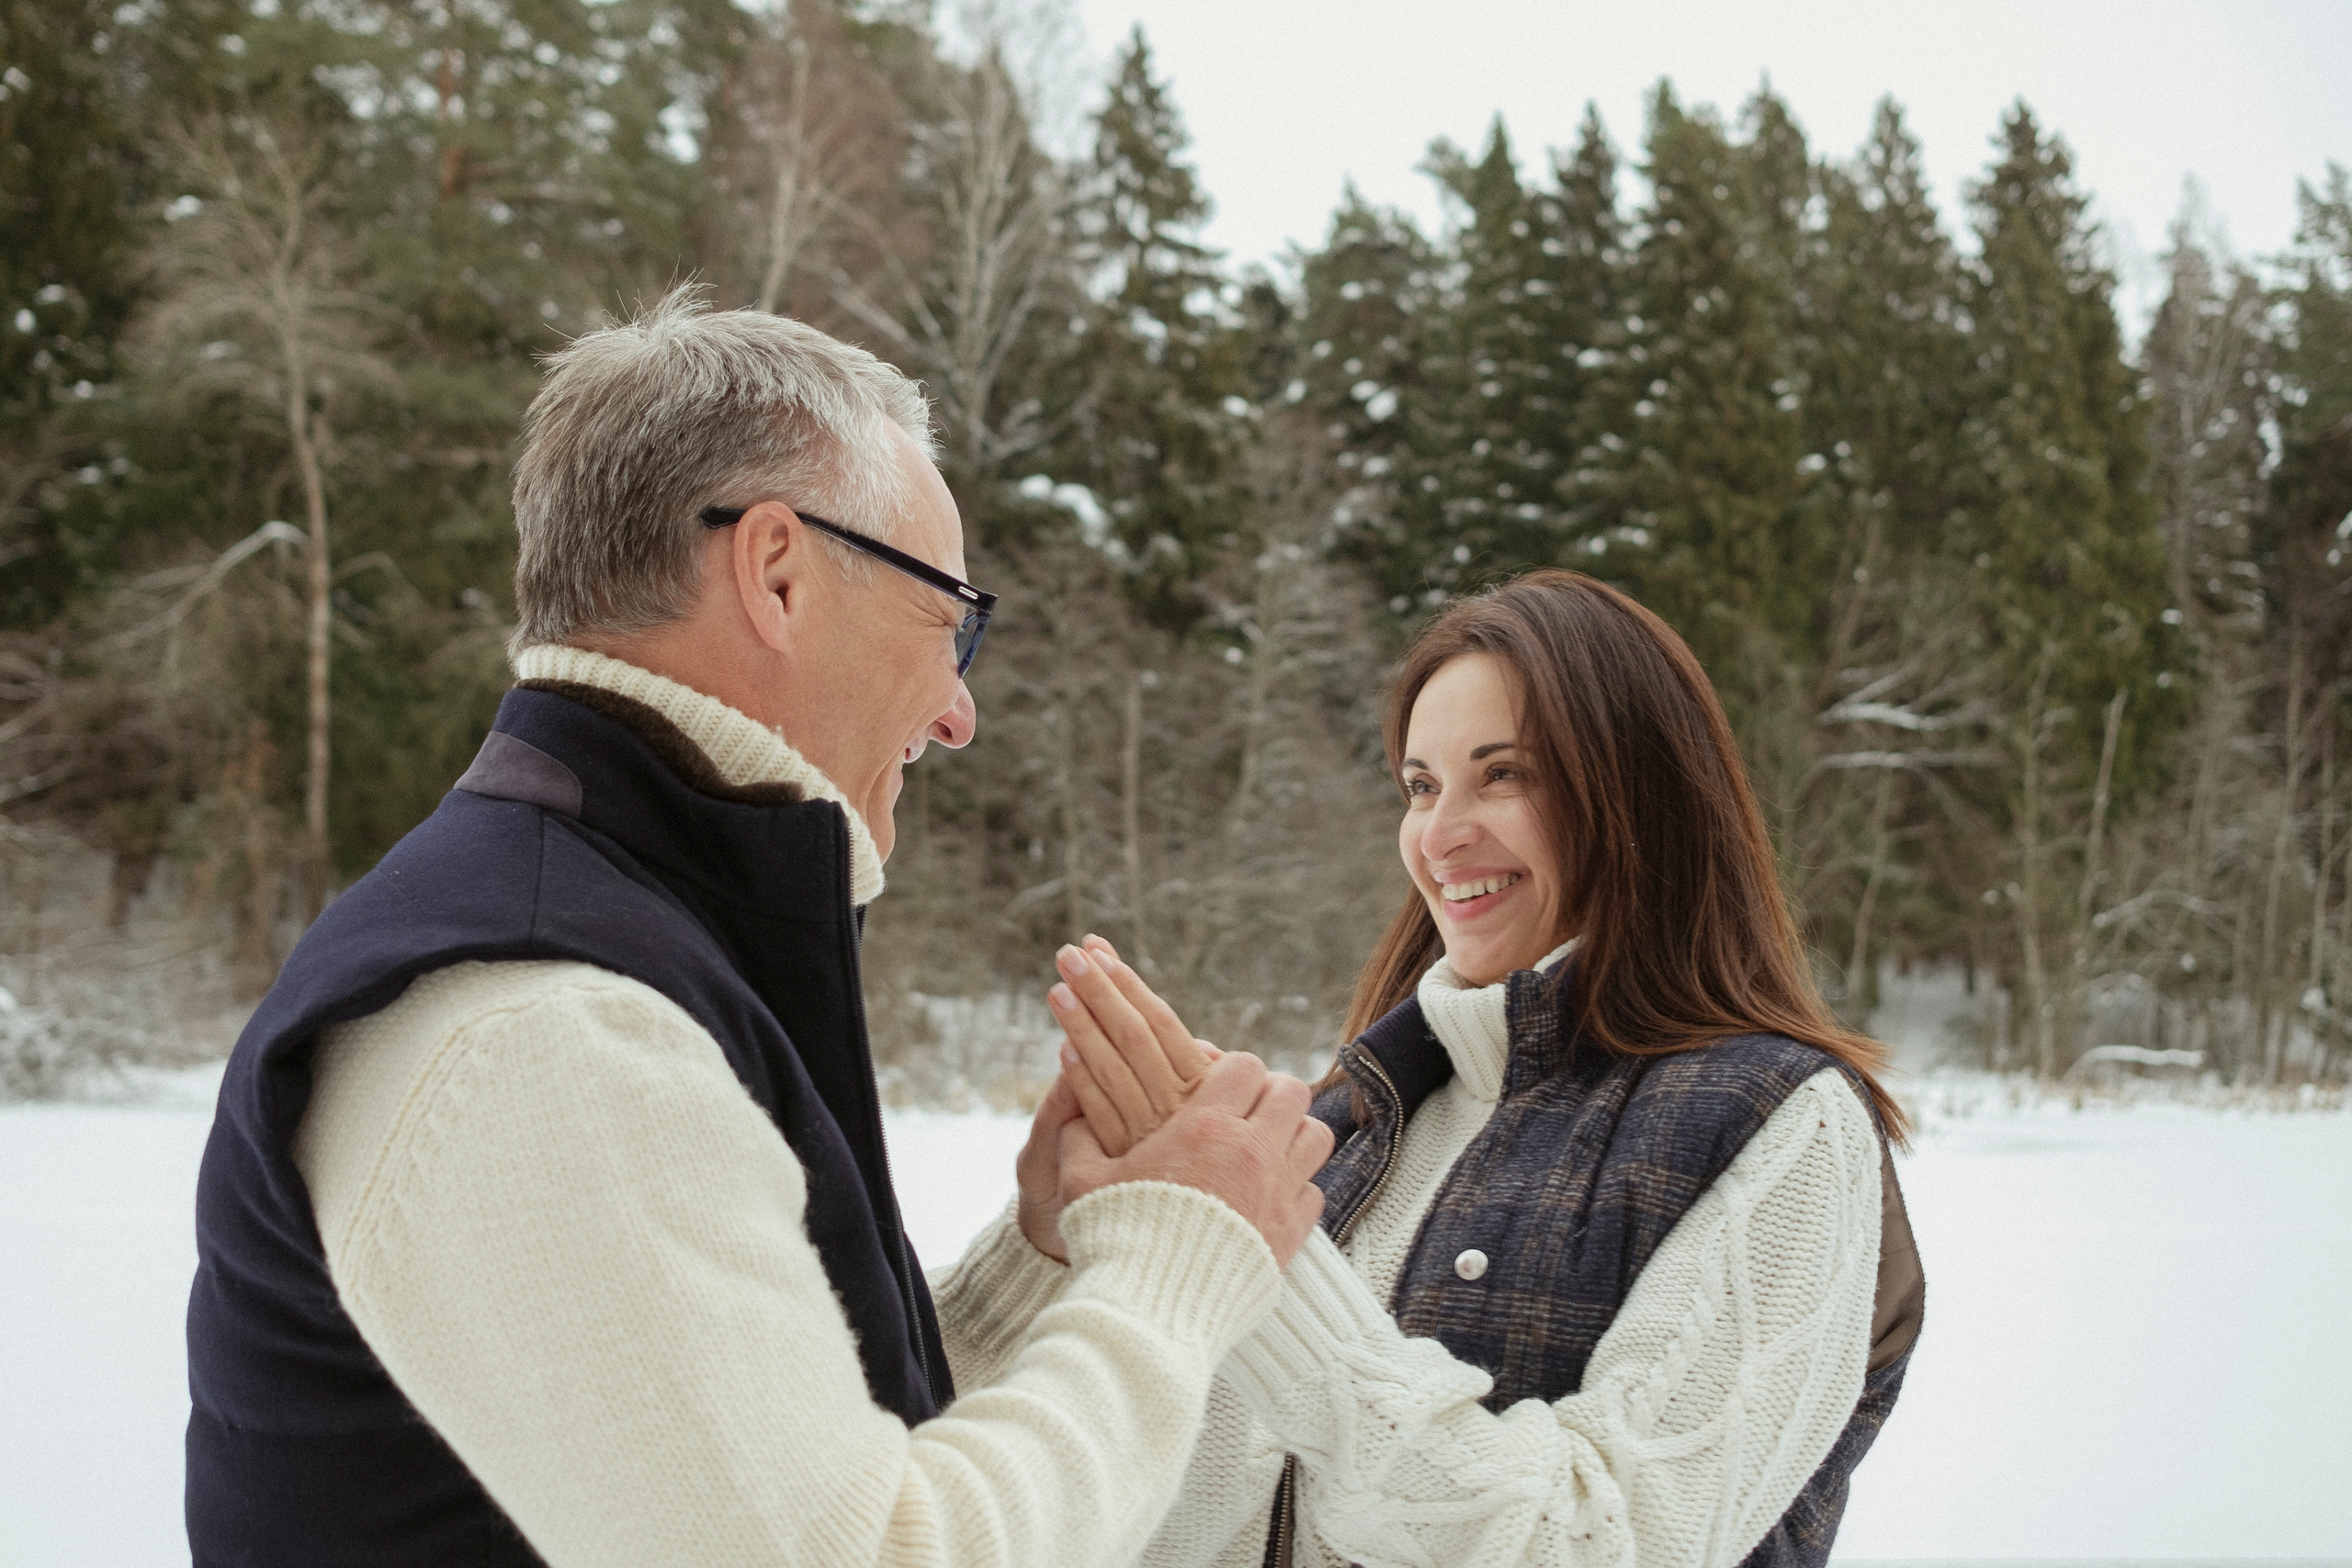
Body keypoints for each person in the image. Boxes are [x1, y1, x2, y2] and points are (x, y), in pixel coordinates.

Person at [182, 288, 1334, 1568]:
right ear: (777, 568)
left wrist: (1041, 1267)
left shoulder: (620, 945)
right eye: (948, 621)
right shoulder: (542, 1024)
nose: (960, 711)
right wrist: (1174, 1268)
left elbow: (755, 1461)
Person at [1043, 570, 1927, 1568]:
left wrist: (1266, 1270)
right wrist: (1111, 1239)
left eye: (1501, 774)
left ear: (1637, 790)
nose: (1440, 834)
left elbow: (1609, 1543)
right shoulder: (1359, 1118)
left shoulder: (1776, 1123)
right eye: (1421, 785)